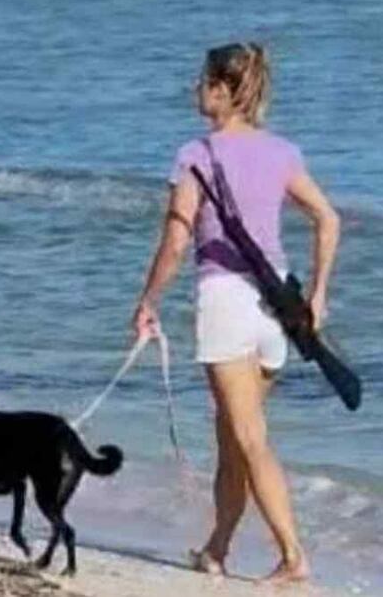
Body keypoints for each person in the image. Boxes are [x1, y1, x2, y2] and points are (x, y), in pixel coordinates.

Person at [132, 43, 341, 583]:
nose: (196, 90)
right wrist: (318, 295)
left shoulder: (195, 155)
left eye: (204, 82)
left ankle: (293, 555)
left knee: (248, 438)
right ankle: (217, 549)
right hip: (275, 307)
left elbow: (176, 241)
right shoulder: (283, 152)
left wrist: (148, 302)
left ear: (225, 91)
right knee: (232, 436)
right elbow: (328, 219)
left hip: (225, 303)